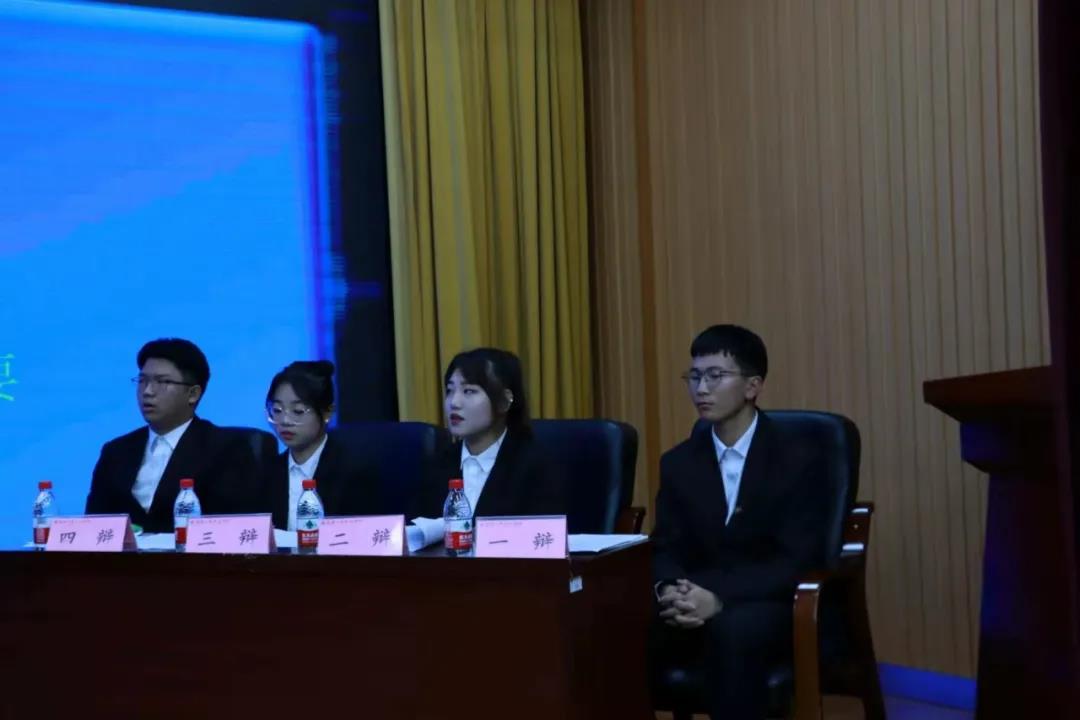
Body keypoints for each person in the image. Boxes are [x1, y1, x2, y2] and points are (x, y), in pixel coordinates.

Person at [650, 324, 829, 720]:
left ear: (752, 386)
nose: (701, 389)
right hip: (692, 593)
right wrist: (669, 589)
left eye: (715, 376)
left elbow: (798, 558)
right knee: (611, 617)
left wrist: (716, 598)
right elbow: (665, 545)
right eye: (694, 377)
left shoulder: (799, 458)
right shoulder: (678, 462)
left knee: (733, 631)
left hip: (767, 601)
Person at [85, 338, 259, 533]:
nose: (148, 391)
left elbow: (232, 528)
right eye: (142, 381)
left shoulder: (227, 450)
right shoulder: (116, 451)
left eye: (162, 382)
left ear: (193, 394)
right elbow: (93, 526)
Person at [407, 347, 563, 550]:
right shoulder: (436, 464)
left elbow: (546, 543)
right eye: (450, 390)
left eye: (469, 391)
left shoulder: (536, 465)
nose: (454, 402)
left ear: (504, 401)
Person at [263, 360, 380, 530]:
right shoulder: (264, 473)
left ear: (327, 412)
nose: (285, 421)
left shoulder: (355, 472)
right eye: (277, 410)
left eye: (298, 411)